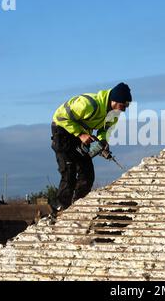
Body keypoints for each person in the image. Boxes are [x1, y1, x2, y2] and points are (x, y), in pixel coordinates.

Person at [51, 82, 132, 210]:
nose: (123, 109)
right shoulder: (88, 104)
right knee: (69, 170)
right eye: (122, 105)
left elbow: (104, 130)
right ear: (113, 100)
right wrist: (80, 134)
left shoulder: (114, 115)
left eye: (126, 106)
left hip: (82, 135)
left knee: (87, 173)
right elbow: (60, 117)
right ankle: (61, 207)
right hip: (62, 131)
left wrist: (102, 142)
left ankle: (78, 205)